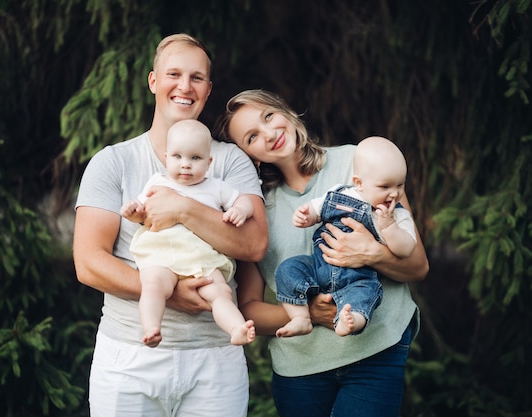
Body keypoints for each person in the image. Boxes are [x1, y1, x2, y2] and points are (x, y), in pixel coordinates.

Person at [73, 35, 268, 417]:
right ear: (153, 81)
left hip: (215, 360)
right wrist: (170, 292)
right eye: (174, 74)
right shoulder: (114, 162)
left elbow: (254, 243)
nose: (185, 86)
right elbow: (88, 262)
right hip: (129, 357)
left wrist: (181, 208)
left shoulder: (229, 162)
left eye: (197, 78)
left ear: (208, 90)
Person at [214, 89, 429, 417]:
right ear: (248, 155)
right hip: (299, 368)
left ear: (285, 111)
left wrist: (371, 253)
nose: (270, 133)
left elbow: (417, 267)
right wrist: (310, 314)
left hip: (374, 351)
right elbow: (250, 309)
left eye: (269, 116)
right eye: (252, 136)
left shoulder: (358, 161)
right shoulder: (253, 209)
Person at [121, 119, 256, 348]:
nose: (185, 165)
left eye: (195, 158)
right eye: (177, 157)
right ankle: (152, 327)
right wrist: (133, 212)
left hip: (201, 257)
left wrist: (240, 210)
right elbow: (144, 215)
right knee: (153, 285)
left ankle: (236, 329)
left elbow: (244, 200)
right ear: (166, 158)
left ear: (209, 161)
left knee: (220, 292)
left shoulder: (215, 186)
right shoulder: (157, 182)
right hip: (162, 253)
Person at [275, 136, 417, 338]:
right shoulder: (340, 194)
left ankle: (351, 321)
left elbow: (407, 248)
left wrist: (389, 226)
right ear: (359, 183)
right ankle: (300, 318)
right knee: (288, 269)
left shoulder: (397, 215)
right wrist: (307, 216)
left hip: (357, 277)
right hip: (318, 266)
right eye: (385, 187)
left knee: (365, 295)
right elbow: (319, 208)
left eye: (400, 186)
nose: (394, 194)